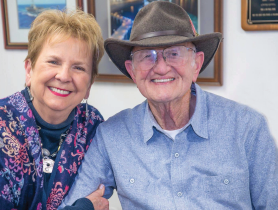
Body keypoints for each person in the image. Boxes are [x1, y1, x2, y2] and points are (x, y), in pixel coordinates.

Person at [59, 2, 278, 210]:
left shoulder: (248, 128)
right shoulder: (111, 136)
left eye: (174, 53)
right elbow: (74, 204)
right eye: (147, 56)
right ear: (133, 71)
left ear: (197, 65)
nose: (161, 68)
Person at [0, 9, 109, 210]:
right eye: (53, 62)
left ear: (89, 84)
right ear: (29, 70)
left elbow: (102, 191)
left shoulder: (93, 126)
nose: (64, 76)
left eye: (79, 67)